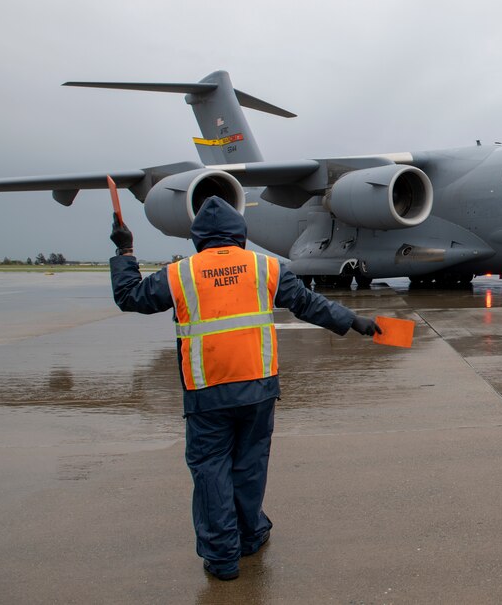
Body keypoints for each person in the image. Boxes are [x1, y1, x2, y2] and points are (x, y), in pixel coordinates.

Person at [109, 196, 381, 581]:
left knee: (211, 471)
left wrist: (125, 250)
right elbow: (307, 303)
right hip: (258, 388)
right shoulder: (265, 267)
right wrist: (352, 319)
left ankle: (222, 557)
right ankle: (250, 535)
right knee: (250, 466)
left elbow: (130, 297)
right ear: (240, 233)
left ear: (198, 238)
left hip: (208, 390)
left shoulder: (181, 273)